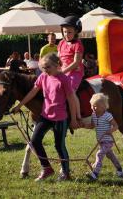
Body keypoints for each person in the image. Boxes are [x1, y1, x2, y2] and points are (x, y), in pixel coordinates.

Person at [12, 53, 78, 181]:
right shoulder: (43, 76)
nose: (45, 70)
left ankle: (66, 173)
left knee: (59, 146)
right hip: (45, 115)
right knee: (34, 141)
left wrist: (74, 119)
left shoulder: (64, 79)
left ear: (57, 65)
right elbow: (33, 92)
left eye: (48, 67)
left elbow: (71, 100)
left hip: (60, 118)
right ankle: (47, 168)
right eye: (43, 67)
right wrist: (19, 105)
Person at [84, 93, 123, 181]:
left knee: (99, 154)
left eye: (96, 106)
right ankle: (120, 170)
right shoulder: (94, 115)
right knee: (111, 156)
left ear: (103, 107)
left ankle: (95, 174)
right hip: (101, 141)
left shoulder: (107, 116)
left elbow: (116, 126)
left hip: (108, 141)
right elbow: (92, 125)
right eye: (92, 106)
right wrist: (83, 125)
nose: (93, 108)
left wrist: (110, 131)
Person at [58, 16, 84, 121]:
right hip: (62, 71)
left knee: (71, 91)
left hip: (75, 72)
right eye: (64, 32)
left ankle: (78, 116)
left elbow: (76, 62)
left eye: (69, 32)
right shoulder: (61, 43)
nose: (66, 34)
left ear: (76, 32)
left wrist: (63, 71)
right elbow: (58, 58)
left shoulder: (77, 44)